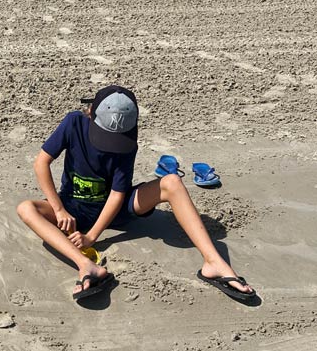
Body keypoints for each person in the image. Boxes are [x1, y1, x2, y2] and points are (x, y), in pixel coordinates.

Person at [16, 85, 258, 304]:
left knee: (172, 181)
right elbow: (41, 163)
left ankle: (214, 263)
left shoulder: (127, 143)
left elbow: (117, 194)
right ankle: (86, 265)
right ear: (90, 112)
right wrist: (59, 209)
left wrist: (92, 236)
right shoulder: (74, 123)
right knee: (26, 208)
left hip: (116, 211)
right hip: (72, 208)